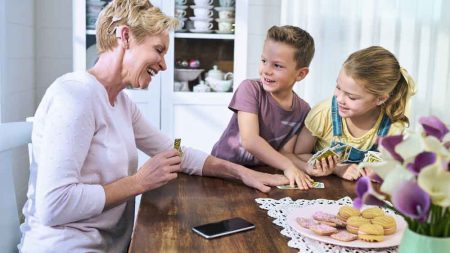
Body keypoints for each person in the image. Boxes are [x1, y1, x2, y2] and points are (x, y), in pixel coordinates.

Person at [18, 1, 289, 252]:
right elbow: (55, 205)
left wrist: (241, 173)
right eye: (158, 50)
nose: (163, 64)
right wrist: (139, 182)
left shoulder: (121, 103)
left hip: (113, 245)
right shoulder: (75, 96)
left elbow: (176, 153)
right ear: (125, 37)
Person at [211, 25, 315, 189]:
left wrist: (306, 168)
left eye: (277, 66)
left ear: (300, 74)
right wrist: (289, 167)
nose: (266, 70)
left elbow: (285, 153)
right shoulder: (250, 89)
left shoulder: (303, 110)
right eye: (264, 61)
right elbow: (250, 140)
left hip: (262, 175)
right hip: (224, 173)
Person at [291, 46, 416, 180]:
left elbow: (399, 167)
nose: (339, 99)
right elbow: (298, 154)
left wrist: (381, 170)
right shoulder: (323, 113)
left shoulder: (393, 127)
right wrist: (337, 169)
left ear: (380, 99)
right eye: (338, 87)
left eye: (351, 97)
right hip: (325, 187)